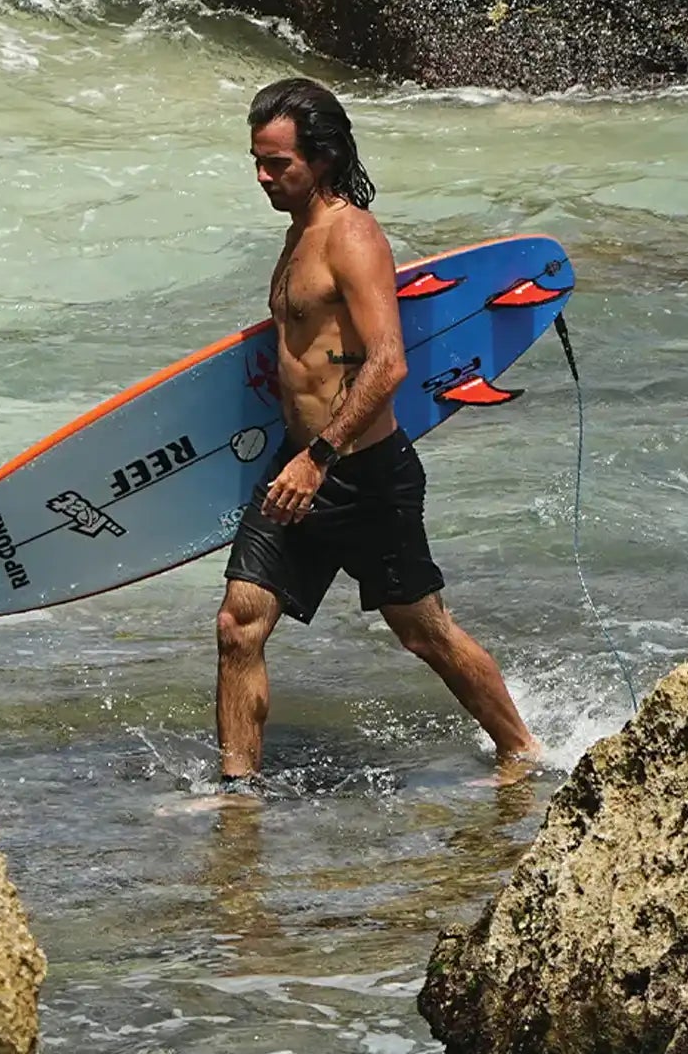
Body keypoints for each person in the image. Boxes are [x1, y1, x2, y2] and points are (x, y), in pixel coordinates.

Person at [216, 77, 540, 790]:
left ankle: (521, 749)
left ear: (323, 158)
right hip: (296, 468)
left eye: (279, 165)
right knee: (239, 625)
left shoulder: (352, 236)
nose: (264, 178)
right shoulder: (299, 232)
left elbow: (388, 363)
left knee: (422, 632)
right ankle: (238, 798)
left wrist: (319, 458)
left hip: (360, 475)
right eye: (257, 162)